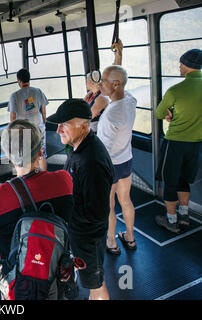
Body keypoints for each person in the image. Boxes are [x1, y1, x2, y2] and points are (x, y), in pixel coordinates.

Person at [0, 120, 74, 298]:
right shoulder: (64, 180)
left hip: (19, 282)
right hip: (57, 272)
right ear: (40, 152)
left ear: (8, 155)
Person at [47, 99, 114, 300]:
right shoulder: (79, 148)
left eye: (64, 125)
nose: (58, 130)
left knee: (96, 284)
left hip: (88, 239)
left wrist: (64, 213)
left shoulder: (91, 161)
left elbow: (98, 213)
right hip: (79, 235)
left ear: (84, 126)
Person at [155, 49, 202, 233]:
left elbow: (160, 113)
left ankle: (171, 220)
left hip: (175, 143)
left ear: (186, 66)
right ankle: (184, 215)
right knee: (184, 180)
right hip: (196, 144)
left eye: (180, 64)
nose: (179, 67)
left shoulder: (175, 90)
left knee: (170, 182)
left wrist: (171, 113)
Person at [97, 42, 137, 253]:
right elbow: (118, 77)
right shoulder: (129, 100)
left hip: (109, 165)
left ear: (116, 85)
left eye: (103, 81)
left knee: (109, 205)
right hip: (125, 161)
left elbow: (102, 149)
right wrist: (118, 54)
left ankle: (111, 242)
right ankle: (129, 237)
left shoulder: (111, 115)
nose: (99, 84)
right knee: (126, 200)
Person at [8, 68, 49, 171]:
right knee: (42, 154)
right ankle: (44, 176)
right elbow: (43, 111)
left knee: (27, 156)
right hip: (39, 127)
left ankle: (30, 179)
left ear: (19, 81)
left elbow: (13, 117)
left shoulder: (14, 96)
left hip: (24, 130)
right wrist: (44, 122)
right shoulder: (38, 91)